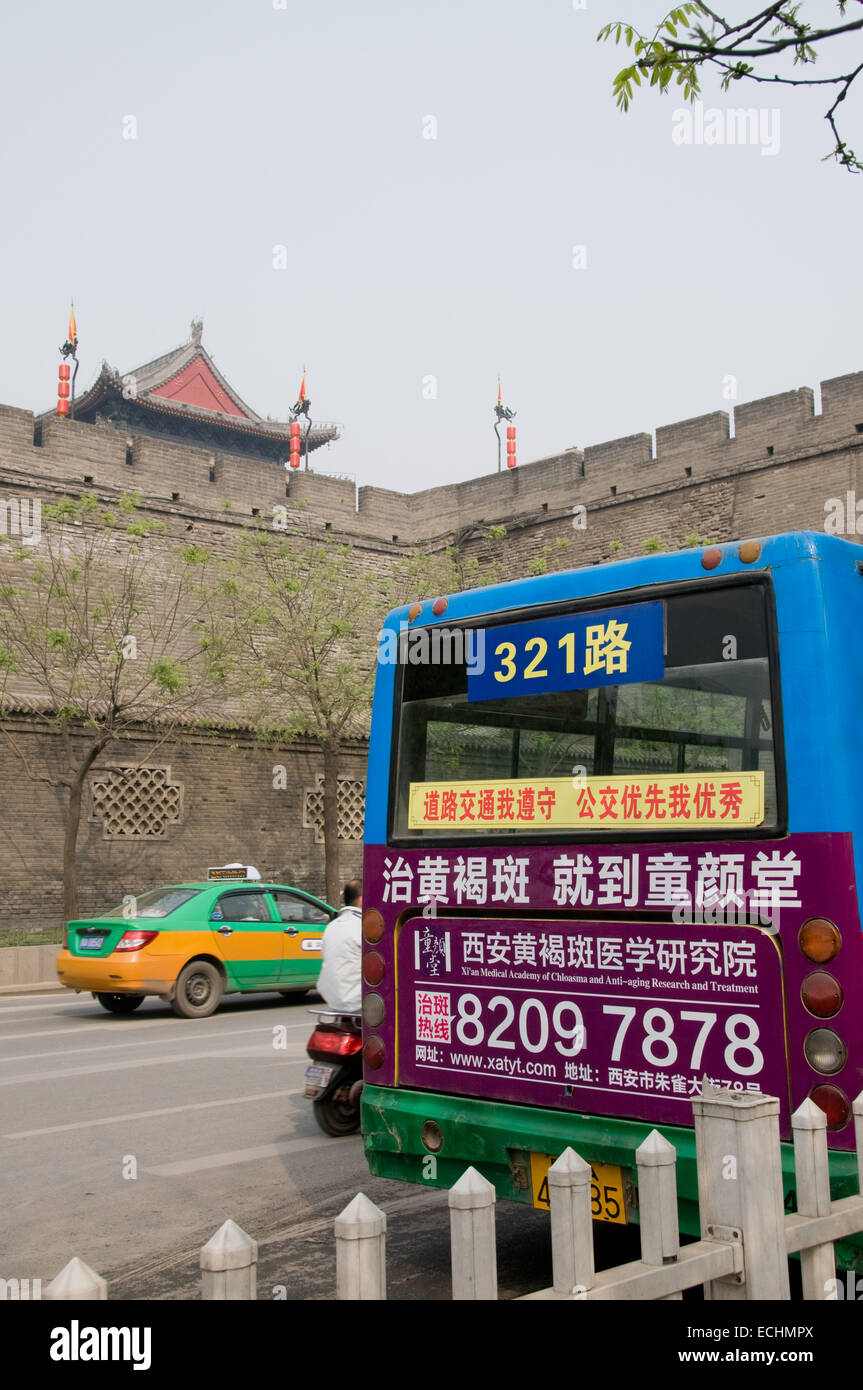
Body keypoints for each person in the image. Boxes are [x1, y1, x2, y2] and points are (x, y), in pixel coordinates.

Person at [316, 879, 362, 1015]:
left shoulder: (332, 926)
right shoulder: (365, 927)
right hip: (359, 1003)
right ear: (362, 900)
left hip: (333, 1000)